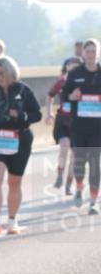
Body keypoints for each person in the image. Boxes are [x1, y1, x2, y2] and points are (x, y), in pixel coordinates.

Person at [0, 55, 42, 234]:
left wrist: (21, 116)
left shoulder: (23, 90)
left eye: (3, 72)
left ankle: (12, 221)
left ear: (12, 72)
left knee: (14, 182)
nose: (0, 76)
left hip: (20, 139)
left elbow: (37, 114)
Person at [62, 38, 101, 215]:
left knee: (94, 161)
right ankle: (79, 185)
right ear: (83, 54)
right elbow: (64, 96)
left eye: (94, 51)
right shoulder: (75, 73)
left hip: (97, 127)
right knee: (79, 160)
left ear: (98, 53)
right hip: (79, 125)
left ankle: (93, 201)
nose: (91, 54)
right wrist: (72, 96)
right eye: (88, 51)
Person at [45, 56, 82, 195]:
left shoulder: (85, 83)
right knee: (64, 145)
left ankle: (68, 183)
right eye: (70, 64)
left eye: (76, 64)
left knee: (74, 155)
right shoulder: (60, 82)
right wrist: (48, 113)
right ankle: (60, 174)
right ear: (65, 67)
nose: (72, 66)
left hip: (78, 122)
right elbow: (50, 96)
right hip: (62, 121)